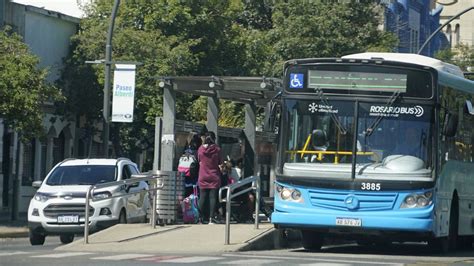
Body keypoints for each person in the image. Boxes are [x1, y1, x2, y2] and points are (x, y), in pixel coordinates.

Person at [197, 131, 222, 224]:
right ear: (214, 139)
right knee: (212, 197)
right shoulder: (217, 149)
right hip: (214, 175)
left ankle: (200, 218)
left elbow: (199, 160)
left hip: (203, 175)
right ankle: (211, 218)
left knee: (202, 197)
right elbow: (220, 162)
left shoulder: (200, 149)